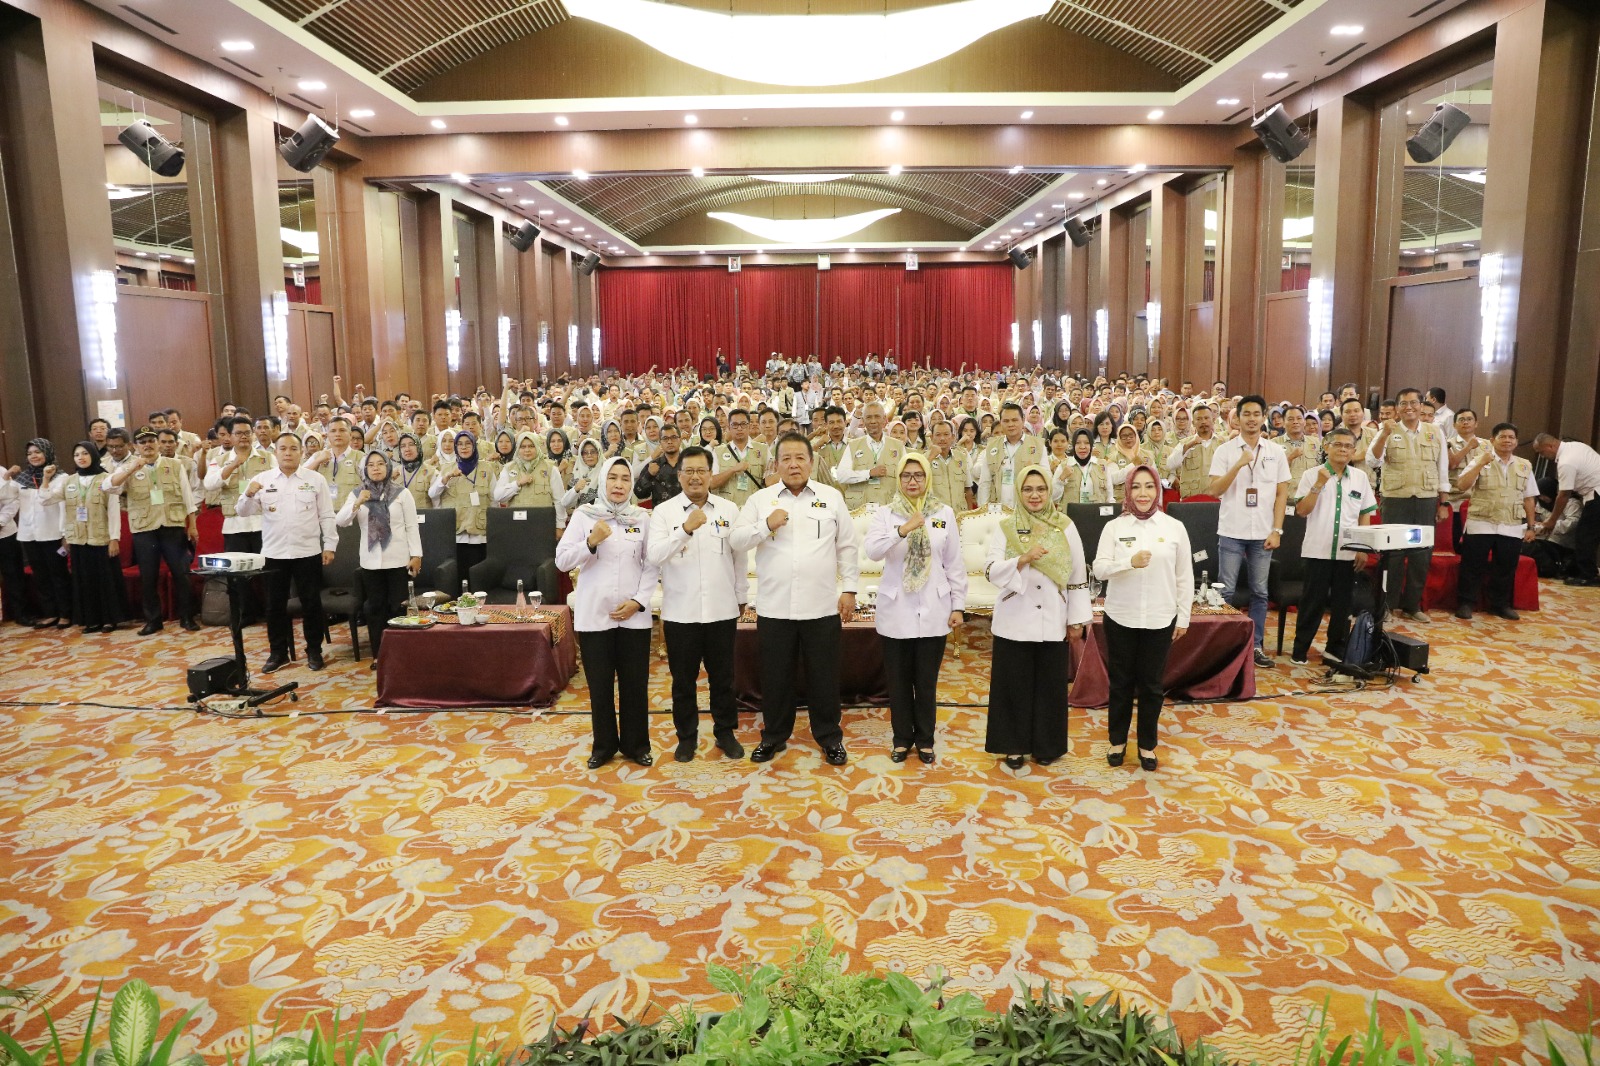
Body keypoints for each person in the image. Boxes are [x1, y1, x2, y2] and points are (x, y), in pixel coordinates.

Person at [730, 432, 859, 766]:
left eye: (800, 457)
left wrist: (849, 589)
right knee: (776, 678)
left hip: (821, 606)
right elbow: (737, 539)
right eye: (786, 458)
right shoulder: (761, 500)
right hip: (775, 607)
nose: (793, 464)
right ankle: (773, 736)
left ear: (811, 463)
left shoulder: (831, 497)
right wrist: (765, 525)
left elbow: (847, 545)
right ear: (776, 464)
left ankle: (830, 738)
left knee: (824, 677)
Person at [555, 457, 659, 769]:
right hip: (595, 616)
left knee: (634, 684)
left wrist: (638, 601)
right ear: (602, 481)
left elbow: (651, 564)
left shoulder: (641, 518)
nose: (618, 484)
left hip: (633, 615)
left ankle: (636, 745)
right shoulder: (585, 516)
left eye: (625, 479)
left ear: (632, 484)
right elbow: (562, 560)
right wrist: (590, 542)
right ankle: (603, 746)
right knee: (600, 686)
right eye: (612, 477)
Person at [984, 466, 1090, 769]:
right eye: (1028, 489)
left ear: (1049, 492)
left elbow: (1078, 576)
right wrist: (1022, 560)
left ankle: (1047, 745)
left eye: (1041, 489)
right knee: (1013, 684)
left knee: (1049, 686)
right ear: (1019, 492)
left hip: (1053, 617)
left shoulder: (1065, 526)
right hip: (1014, 617)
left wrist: (1077, 619)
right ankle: (1013, 745)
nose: (1034, 495)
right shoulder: (1006, 526)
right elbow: (990, 569)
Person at [863, 453, 967, 764]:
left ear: (927, 479)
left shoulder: (944, 513)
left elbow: (954, 564)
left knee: (925, 682)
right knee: (898, 682)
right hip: (896, 609)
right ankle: (901, 739)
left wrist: (958, 606)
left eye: (918, 475)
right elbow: (872, 551)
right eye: (906, 475)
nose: (912, 481)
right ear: (898, 479)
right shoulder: (886, 514)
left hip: (935, 608)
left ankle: (924, 739)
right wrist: (902, 530)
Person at [647, 445, 748, 762]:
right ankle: (686, 738)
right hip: (681, 613)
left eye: (701, 471)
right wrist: (684, 530)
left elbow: (739, 557)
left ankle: (725, 733)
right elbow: (655, 555)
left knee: (723, 679)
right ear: (679, 476)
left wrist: (741, 595)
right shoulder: (664, 512)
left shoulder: (729, 510)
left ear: (710, 475)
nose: (695, 477)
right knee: (683, 682)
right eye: (688, 471)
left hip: (721, 609)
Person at [1092, 465, 1192, 770]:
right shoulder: (1114, 527)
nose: (1143, 493)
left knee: (1151, 686)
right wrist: (1128, 562)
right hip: (1121, 617)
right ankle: (1117, 742)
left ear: (1158, 490)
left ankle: (1147, 746)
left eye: (1149, 486)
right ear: (1128, 491)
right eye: (1136, 487)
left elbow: (1184, 576)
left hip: (1160, 618)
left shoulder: (1174, 527)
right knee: (1120, 683)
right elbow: (1099, 569)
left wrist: (1183, 617)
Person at [235, 433, 338, 673]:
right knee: (274, 606)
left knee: (311, 604)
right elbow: (243, 511)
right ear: (276, 453)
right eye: (283, 449)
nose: (288, 453)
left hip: (307, 552)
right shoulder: (262, 479)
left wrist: (330, 545)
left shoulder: (315, 480)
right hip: (274, 553)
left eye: (293, 448)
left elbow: (326, 515)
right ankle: (278, 653)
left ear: (302, 452)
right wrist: (248, 493)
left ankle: (314, 650)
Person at [1208, 395, 1290, 668]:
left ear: (1264, 417)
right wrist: (1239, 464)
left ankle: (1255, 646)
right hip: (1232, 530)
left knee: (1260, 592)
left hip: (1263, 533)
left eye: (1257, 414)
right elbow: (1215, 490)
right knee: (1226, 592)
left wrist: (1277, 530)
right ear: (1237, 418)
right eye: (1247, 414)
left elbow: (1281, 494)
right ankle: (1224, 647)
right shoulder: (1225, 451)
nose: (1252, 419)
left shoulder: (1275, 452)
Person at [1290, 427, 1377, 666]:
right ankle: (1300, 649)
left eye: (1348, 446)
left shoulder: (1360, 478)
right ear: (1326, 447)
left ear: (1354, 450)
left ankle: (1335, 649)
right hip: (1317, 550)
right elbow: (1302, 510)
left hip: (1348, 552)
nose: (1343, 450)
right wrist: (1319, 484)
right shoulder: (1311, 474)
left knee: (1343, 606)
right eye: (1338, 444)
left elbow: (1365, 514)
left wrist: (1363, 548)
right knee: (1312, 604)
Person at [105, 430, 200, 635]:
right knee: (148, 577)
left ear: (158, 444)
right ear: (135, 447)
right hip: (144, 528)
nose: (147, 445)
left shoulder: (174, 465)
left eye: (151, 441)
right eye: (142, 442)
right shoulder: (128, 467)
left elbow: (187, 496)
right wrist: (131, 469)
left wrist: (192, 525)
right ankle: (153, 620)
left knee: (181, 573)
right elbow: (109, 487)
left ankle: (187, 617)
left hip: (172, 525)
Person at [1370, 387, 1450, 623]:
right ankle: (1388, 605)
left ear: (1421, 405)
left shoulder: (1435, 431)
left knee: (1421, 554)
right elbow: (1372, 460)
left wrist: (1443, 502)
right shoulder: (1388, 429)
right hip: (1396, 499)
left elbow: (1442, 468)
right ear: (1397, 408)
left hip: (1426, 499)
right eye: (1403, 403)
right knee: (1393, 553)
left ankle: (1412, 605)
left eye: (1414, 403)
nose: (1409, 407)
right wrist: (1384, 435)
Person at [336, 450, 423, 663]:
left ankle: (401, 655)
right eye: (371, 465)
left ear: (388, 467)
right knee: (375, 609)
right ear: (364, 470)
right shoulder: (357, 494)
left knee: (398, 607)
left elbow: (412, 526)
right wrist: (357, 503)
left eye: (380, 464)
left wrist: (416, 555)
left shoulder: (402, 493)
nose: (376, 468)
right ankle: (380, 655)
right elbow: (341, 521)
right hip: (371, 562)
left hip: (399, 560)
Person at [1453, 423, 1536, 620]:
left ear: (1516, 442)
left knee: (1505, 568)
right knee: (1472, 566)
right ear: (1492, 440)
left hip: (1511, 525)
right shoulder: (1480, 459)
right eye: (1502, 437)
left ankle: (1500, 605)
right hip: (1481, 523)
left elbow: (1529, 498)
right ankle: (1466, 603)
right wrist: (1480, 464)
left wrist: (1531, 526)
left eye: (1511, 437)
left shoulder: (1524, 465)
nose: (1507, 440)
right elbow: (1462, 485)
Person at [43, 442, 122, 634]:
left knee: (104, 580)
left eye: (85, 453)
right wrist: (46, 479)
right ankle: (91, 620)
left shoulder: (106, 479)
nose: (81, 457)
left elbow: (113, 511)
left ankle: (109, 620)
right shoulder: (68, 481)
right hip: (78, 539)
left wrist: (114, 538)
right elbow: (46, 499)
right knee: (85, 581)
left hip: (101, 538)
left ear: (93, 455)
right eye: (77, 454)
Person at [12, 439, 73, 629]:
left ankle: (66, 613)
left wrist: (65, 534)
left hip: (52, 533)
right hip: (29, 534)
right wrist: (7, 476)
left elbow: (65, 508)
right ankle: (50, 613)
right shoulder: (22, 478)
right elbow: (6, 497)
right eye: (30, 453)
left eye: (38, 452)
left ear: (47, 453)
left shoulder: (61, 477)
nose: (34, 456)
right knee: (41, 576)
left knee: (58, 575)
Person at [1531, 434, 1600, 586]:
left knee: (1585, 536)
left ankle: (1588, 576)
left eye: (1541, 452)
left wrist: (1551, 521)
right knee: (1589, 535)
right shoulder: (1577, 446)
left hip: (1596, 494)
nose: (1542, 456)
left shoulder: (1566, 462)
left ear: (1550, 446)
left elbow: (1563, 495)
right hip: (1594, 493)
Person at [430, 431, 492, 578]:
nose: (464, 447)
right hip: (457, 533)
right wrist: (447, 478)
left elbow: (494, 500)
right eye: (459, 444)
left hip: (479, 533)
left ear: (474, 446)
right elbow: (432, 494)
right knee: (459, 576)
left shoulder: (486, 468)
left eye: (468, 443)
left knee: (478, 576)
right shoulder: (447, 468)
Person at [834, 402, 906, 510]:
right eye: (868, 417)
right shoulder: (853, 445)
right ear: (863, 420)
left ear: (884, 419)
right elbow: (841, 475)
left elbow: (906, 477)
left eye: (877, 416)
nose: (873, 421)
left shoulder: (898, 446)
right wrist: (868, 473)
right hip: (859, 511)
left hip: (889, 509)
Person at [977, 403, 1048, 508]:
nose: (1010, 424)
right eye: (1006, 421)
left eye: (1014, 420)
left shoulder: (1038, 446)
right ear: (1001, 422)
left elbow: (1046, 481)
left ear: (1023, 420)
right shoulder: (992, 446)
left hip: (1027, 509)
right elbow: (985, 482)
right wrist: (983, 509)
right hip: (998, 509)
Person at [1170, 404, 1222, 499]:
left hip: (1218, 499)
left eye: (1206, 418)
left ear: (1213, 420)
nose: (1203, 422)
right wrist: (1190, 445)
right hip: (1191, 499)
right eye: (1199, 419)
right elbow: (1171, 464)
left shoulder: (1222, 443)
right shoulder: (1185, 443)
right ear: (1193, 423)